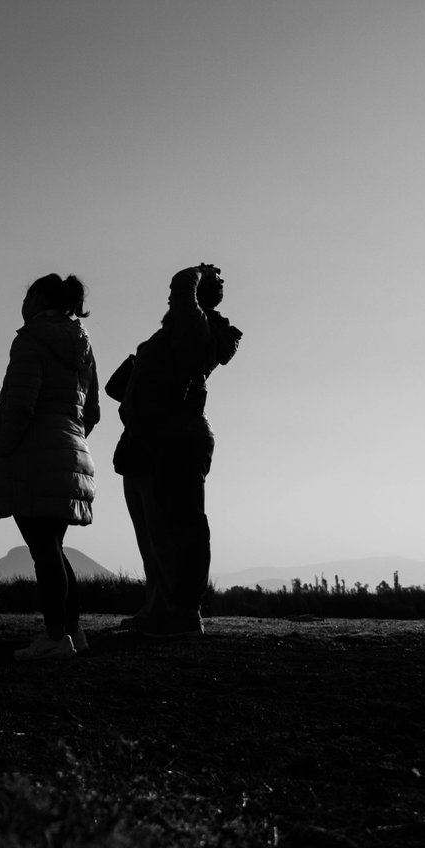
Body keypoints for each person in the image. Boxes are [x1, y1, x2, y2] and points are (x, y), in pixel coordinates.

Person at [108, 263, 242, 638]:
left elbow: (182, 289)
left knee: (177, 528)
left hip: (175, 440)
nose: (169, 298)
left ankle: (182, 612)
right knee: (152, 532)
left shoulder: (197, 328)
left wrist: (199, 272)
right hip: (147, 440)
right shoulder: (178, 333)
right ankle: (157, 606)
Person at [0, 274, 101, 662]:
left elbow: (19, 403)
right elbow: (93, 412)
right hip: (72, 452)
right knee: (53, 546)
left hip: (35, 453)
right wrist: (68, 435)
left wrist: (2, 448)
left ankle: (55, 636)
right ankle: (72, 631)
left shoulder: (31, 339)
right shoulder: (83, 347)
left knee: (43, 548)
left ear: (36, 298)